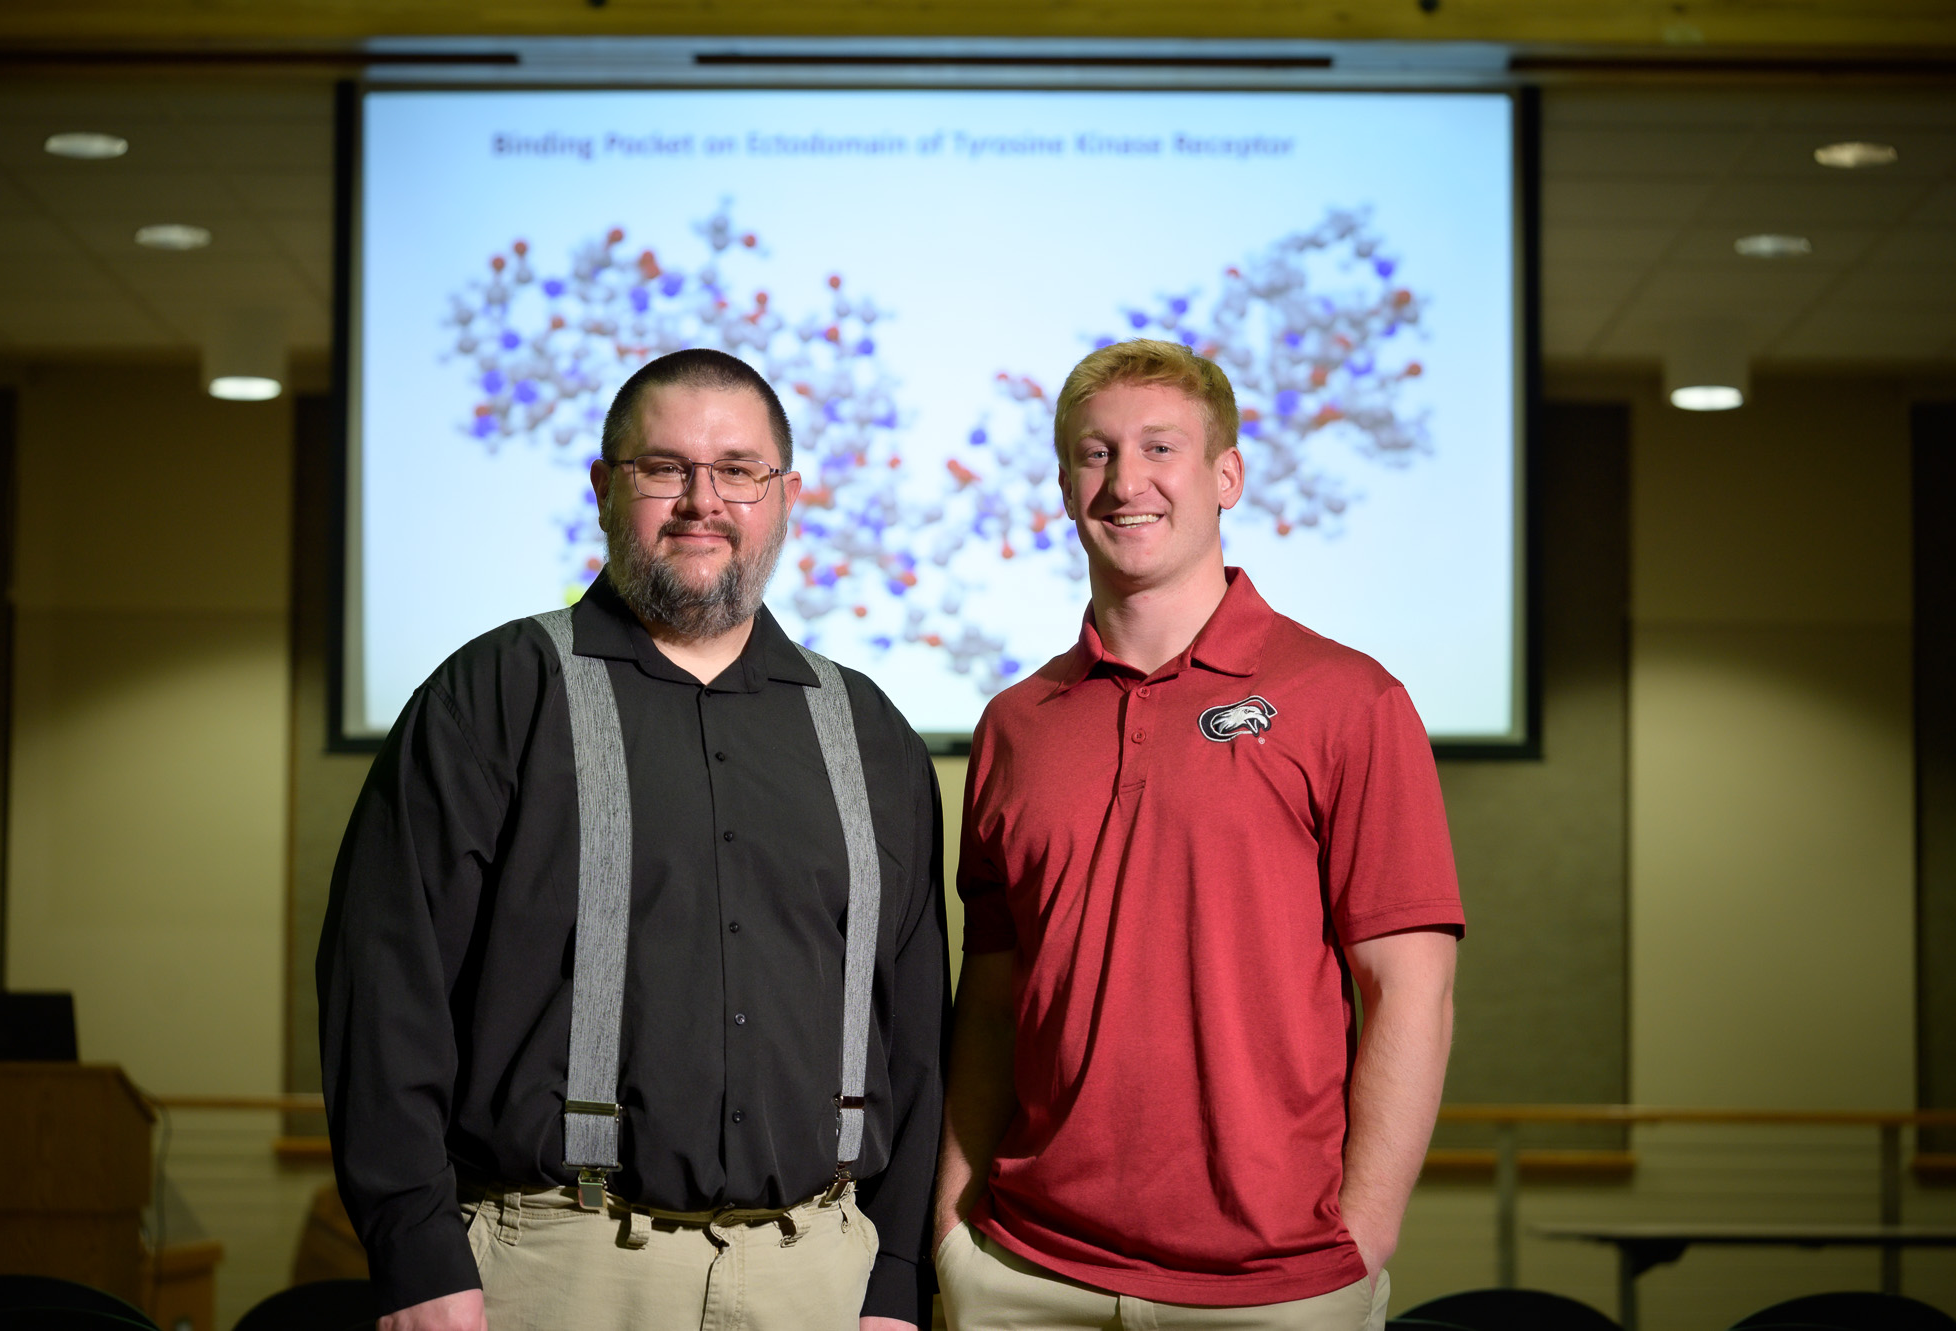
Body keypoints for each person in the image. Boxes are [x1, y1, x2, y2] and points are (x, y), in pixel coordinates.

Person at [318, 348, 945, 1331]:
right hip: (553, 1269)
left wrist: (899, 1272)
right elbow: (384, 989)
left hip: (818, 1273)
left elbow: (911, 1029)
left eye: (738, 469)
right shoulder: (490, 697)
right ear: (605, 487)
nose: (702, 499)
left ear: (785, 496)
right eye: (664, 468)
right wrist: (414, 1252)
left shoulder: (869, 732)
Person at [934, 339, 1463, 1331]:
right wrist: (952, 1226)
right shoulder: (1016, 721)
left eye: (1158, 447)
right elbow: (995, 995)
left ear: (1225, 474)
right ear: (1061, 484)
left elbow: (1409, 986)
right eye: (1094, 453)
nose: (1124, 480)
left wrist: (1361, 1235)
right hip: (1023, 1273)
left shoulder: (1347, 698)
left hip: (1275, 1287)